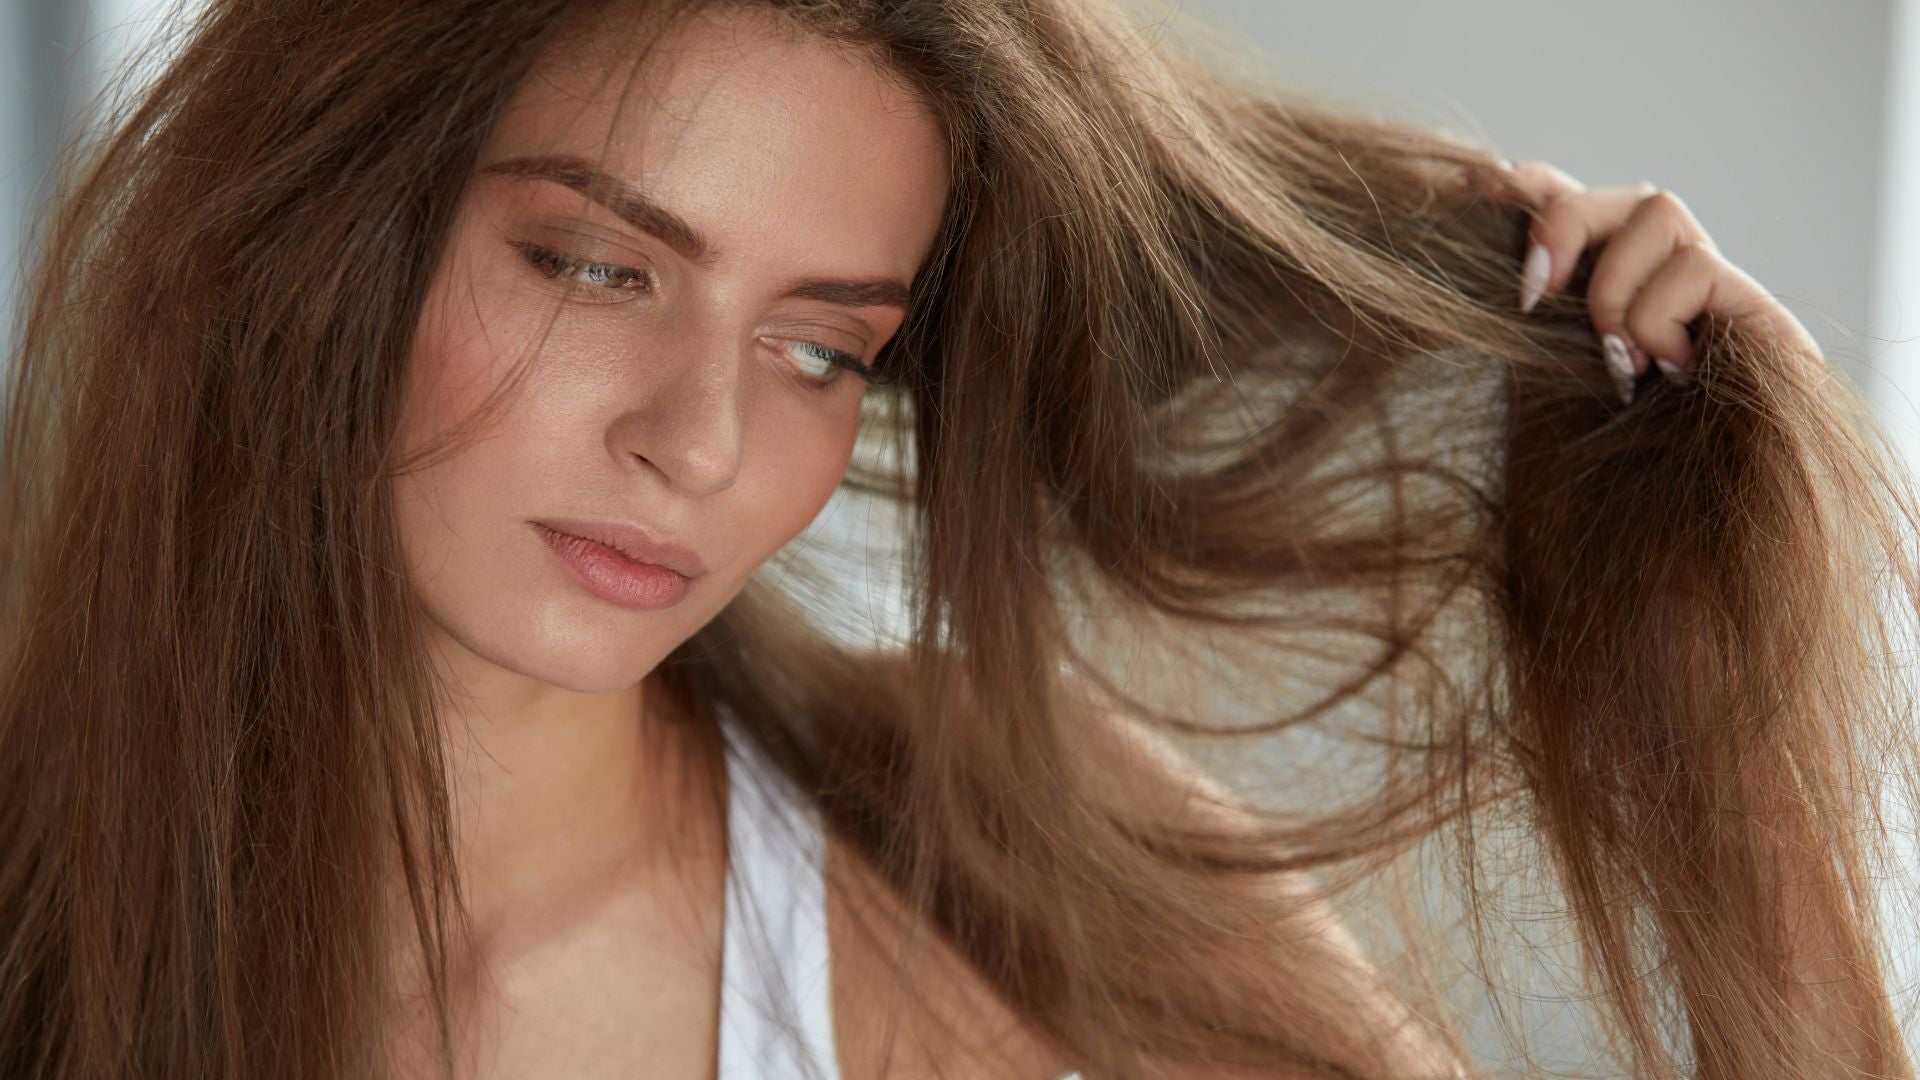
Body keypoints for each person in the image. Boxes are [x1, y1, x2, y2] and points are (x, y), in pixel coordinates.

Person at [2, 0, 1914, 1077]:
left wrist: (1714, 700)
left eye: (820, 348)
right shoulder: (47, 915)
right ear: (317, 235)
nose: (700, 441)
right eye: (595, 265)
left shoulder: (1009, 852)